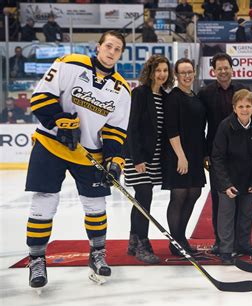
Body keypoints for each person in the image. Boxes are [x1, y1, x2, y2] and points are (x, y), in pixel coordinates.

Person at [25, 30, 130, 290]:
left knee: (95, 205)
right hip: (51, 145)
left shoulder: (122, 89)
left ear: (121, 55)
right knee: (44, 202)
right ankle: (37, 259)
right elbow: (40, 98)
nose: (111, 52)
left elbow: (116, 130)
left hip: (89, 153)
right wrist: (59, 122)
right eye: (108, 46)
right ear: (98, 47)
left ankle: (97, 254)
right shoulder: (68, 64)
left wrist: (114, 160)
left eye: (117, 49)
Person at [124, 55, 174, 264]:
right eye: (158, 70)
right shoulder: (139, 94)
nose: (162, 74)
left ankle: (133, 240)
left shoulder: (164, 96)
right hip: (138, 157)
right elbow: (132, 127)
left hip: (154, 159)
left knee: (142, 198)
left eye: (165, 70)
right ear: (150, 72)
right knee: (144, 197)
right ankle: (143, 243)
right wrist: (137, 158)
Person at [198, 53, 248, 254]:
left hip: (241, 155)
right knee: (219, 200)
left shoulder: (243, 90)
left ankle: (239, 240)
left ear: (232, 68)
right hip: (216, 155)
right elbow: (200, 127)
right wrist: (205, 154)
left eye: (226, 67)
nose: (223, 71)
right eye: (219, 68)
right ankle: (221, 241)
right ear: (213, 71)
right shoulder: (205, 93)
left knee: (241, 197)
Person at [211, 89, 252, 264]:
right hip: (228, 179)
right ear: (234, 108)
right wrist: (226, 184)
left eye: (248, 106)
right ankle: (226, 249)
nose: (244, 109)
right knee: (226, 215)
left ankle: (244, 244)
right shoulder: (225, 126)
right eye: (241, 106)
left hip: (249, 179)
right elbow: (217, 157)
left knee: (246, 214)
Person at [162, 58, 206, 256]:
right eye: (183, 73)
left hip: (195, 153)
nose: (187, 76)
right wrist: (181, 156)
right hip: (179, 153)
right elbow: (171, 129)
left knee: (194, 193)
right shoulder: (174, 97)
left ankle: (180, 237)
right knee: (179, 196)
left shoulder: (195, 96)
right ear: (177, 75)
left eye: (190, 72)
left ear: (194, 73)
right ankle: (176, 241)